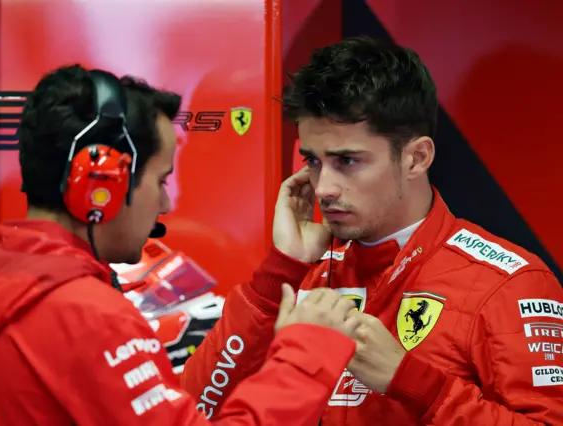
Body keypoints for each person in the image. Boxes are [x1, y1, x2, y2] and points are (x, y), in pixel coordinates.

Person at [0, 65, 360, 425]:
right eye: (161, 179)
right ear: (101, 183)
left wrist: (280, 274)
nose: (167, 202)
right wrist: (306, 354)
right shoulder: (81, 314)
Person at [181, 37, 563, 425]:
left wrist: (412, 382)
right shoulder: (303, 273)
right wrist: (279, 273)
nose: (324, 187)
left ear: (417, 157)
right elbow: (195, 412)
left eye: (347, 160)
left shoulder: (507, 283)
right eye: (313, 160)